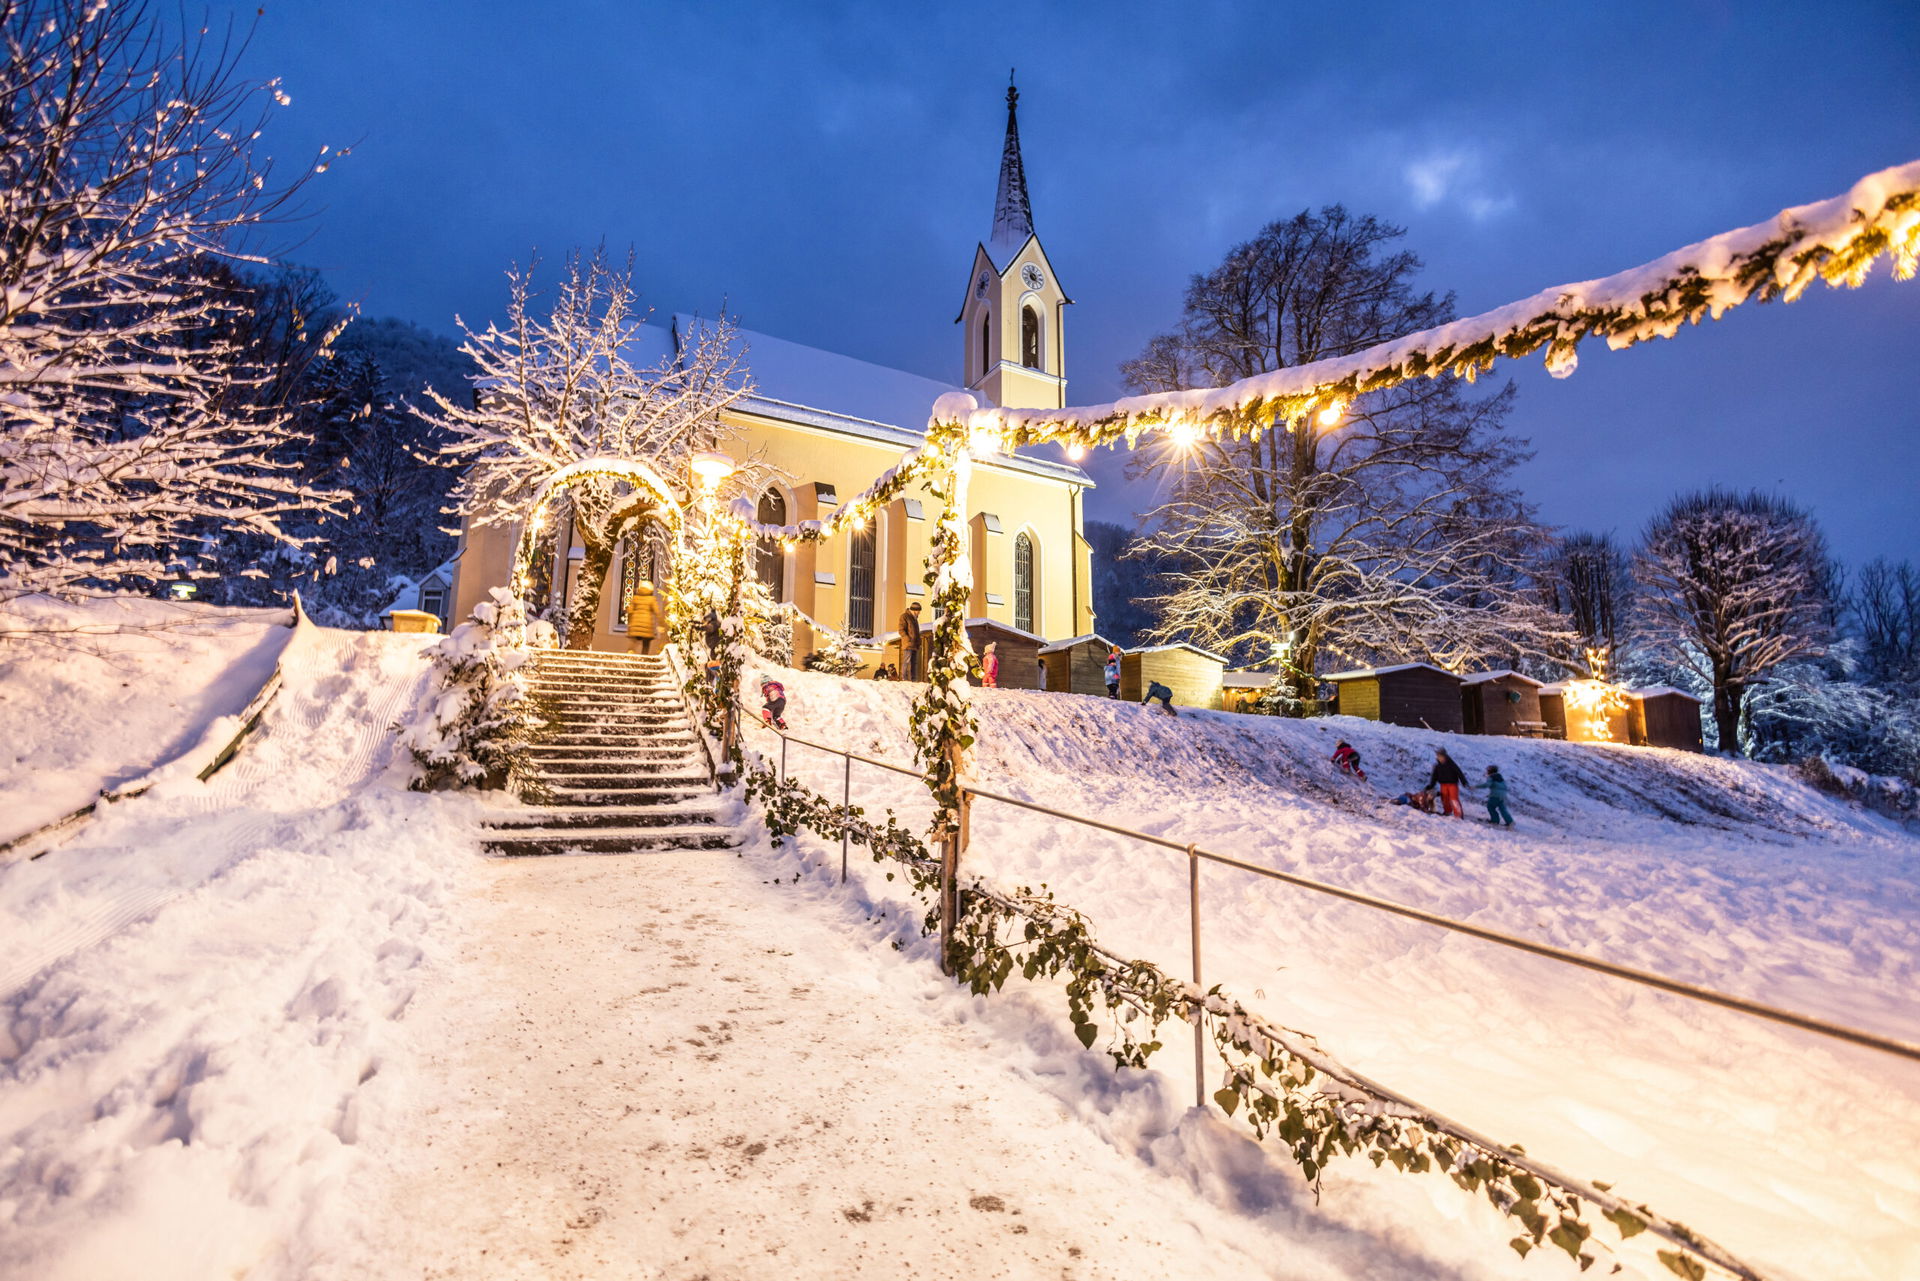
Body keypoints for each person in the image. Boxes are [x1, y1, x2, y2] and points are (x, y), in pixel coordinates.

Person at [1426, 747, 1469, 818]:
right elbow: (1434, 776)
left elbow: (1459, 773)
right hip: (1443, 785)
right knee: (1444, 799)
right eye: (1437, 756)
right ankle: (1447, 811)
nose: (1438, 757)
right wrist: (1431, 785)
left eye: (1440, 756)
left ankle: (1458, 814)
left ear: (1444, 756)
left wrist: (1464, 782)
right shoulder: (1437, 766)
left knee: (1454, 799)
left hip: (1452, 785)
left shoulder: (1451, 764)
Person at [624, 579, 659, 655]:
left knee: (634, 642)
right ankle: (644, 658)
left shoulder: (635, 598)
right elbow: (657, 612)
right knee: (646, 644)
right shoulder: (652, 600)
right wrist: (661, 623)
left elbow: (630, 611)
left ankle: (630, 653)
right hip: (647, 626)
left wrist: (630, 623)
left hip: (635, 625)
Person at [898, 601, 923, 680]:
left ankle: (913, 679)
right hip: (908, 644)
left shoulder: (915, 619)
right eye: (918, 611)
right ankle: (904, 678)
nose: (919, 613)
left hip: (915, 645)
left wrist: (918, 642)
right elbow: (901, 630)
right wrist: (908, 639)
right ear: (914, 610)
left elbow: (916, 632)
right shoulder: (904, 616)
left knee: (914, 663)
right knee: (906, 661)